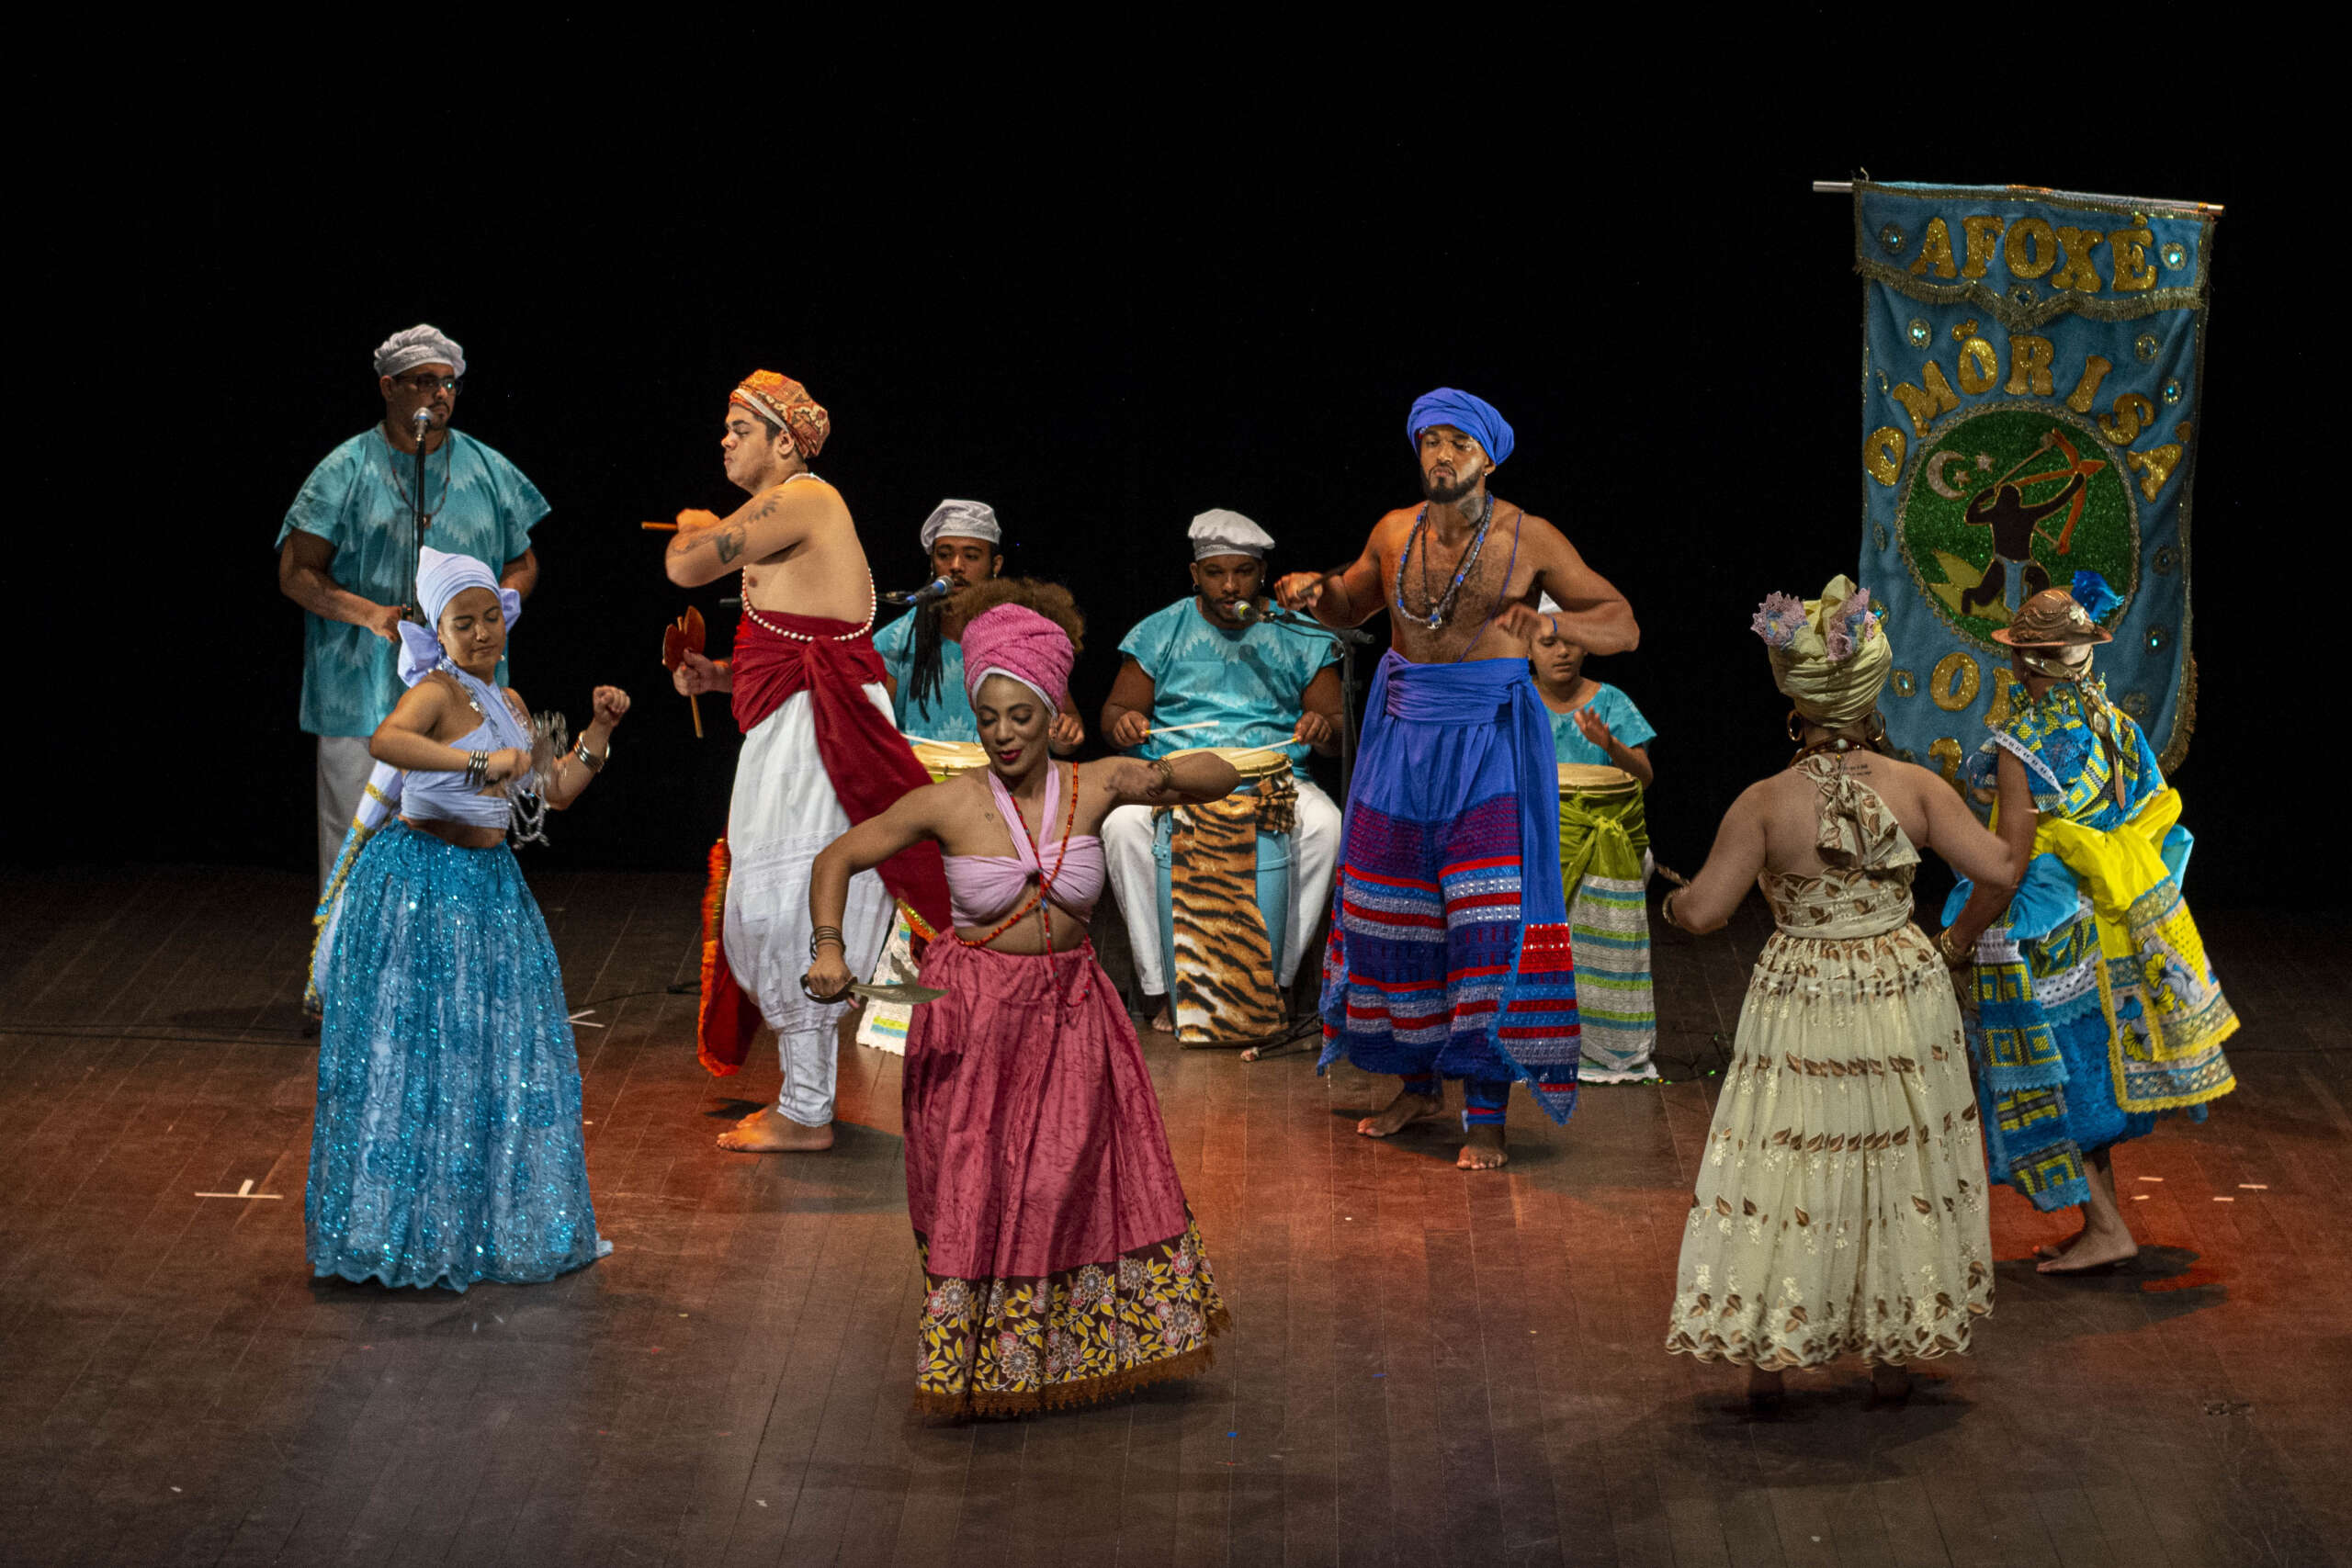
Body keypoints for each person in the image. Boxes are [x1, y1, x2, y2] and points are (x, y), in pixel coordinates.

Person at [802, 582, 1238, 1416]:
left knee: (1064, 1181)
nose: (1002, 734)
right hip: (977, 1017)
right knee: (979, 1186)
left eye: (1021, 718)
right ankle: (988, 1359)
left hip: (1075, 1011)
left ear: (1051, 715)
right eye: (990, 717)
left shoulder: (1099, 785)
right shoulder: (950, 800)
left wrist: (1169, 768)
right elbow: (837, 858)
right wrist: (829, 948)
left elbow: (1213, 778)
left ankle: (1060, 1351)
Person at [1660, 576, 2017, 1406]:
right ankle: (1891, 1357)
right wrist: (2015, 789)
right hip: (1901, 981)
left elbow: (1706, 911)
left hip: (1805, 987)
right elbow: (2000, 869)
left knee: (1791, 1155)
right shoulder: (1918, 787)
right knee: (1895, 1153)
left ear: (1798, 706)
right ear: (1869, 697)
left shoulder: (1764, 801)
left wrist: (1674, 901)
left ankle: (1773, 1362)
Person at [1273, 389, 1637, 1169]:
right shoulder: (1393, 530)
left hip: (1489, 742)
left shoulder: (1529, 535)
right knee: (1390, 910)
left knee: (1485, 920)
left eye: (1457, 443)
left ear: (1489, 457)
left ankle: (1485, 1115)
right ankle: (1415, 1082)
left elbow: (1622, 620)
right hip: (1402, 734)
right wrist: (1315, 589)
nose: (1441, 455)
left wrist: (1553, 624)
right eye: (1430, 441)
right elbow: (1353, 606)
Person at [307, 547, 626, 1291]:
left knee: (484, 1063)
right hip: (421, 882)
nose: (481, 633)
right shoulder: (438, 691)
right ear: (439, 631)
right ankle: (403, 1232)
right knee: (420, 1063)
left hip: (485, 887)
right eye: (463, 622)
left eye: (490, 619)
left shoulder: (509, 704)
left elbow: (557, 792)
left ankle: (476, 1228)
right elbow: (386, 742)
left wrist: (598, 731)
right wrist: (479, 767)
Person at [664, 370, 952, 1153]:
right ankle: (806, 1099)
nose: (724, 439)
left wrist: (697, 527)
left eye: (739, 427)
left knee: (789, 897)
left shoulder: (805, 497)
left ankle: (806, 1109)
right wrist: (717, 675)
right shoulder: (791, 516)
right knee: (774, 895)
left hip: (816, 734)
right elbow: (798, 643)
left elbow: (686, 568)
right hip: (800, 723)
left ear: (785, 442)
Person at [1939, 581, 2237, 1274]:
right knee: (2082, 1074)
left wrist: (1957, 939)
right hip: (2108, 926)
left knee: (2050, 1079)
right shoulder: (2119, 728)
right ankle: (2105, 1223)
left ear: (2024, 663)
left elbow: (2008, 867)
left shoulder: (2024, 745)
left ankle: (2105, 1224)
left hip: (2045, 938)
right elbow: (2150, 815)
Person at [277, 324, 548, 891]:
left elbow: (523, 562)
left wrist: (498, 609)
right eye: (425, 382)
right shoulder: (346, 468)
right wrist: (369, 614)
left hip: (465, 688)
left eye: (449, 384)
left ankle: (442, 970)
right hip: (361, 683)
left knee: (456, 825)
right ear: (389, 386)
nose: (439, 395)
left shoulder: (488, 469)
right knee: (357, 829)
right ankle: (346, 967)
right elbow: (296, 572)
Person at [1100, 509, 1345, 1029]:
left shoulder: (1297, 631)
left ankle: (1276, 982)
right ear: (1195, 575)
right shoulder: (1159, 632)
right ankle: (1157, 986)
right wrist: (1125, 724)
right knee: (1122, 827)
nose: (1229, 584)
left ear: (1262, 573)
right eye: (1215, 573)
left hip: (1275, 779)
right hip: (1175, 777)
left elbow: (1337, 726)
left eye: (1243, 571)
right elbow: (1115, 714)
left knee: (1325, 827)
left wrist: (1323, 728)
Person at [1531, 596, 1659, 1081]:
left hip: (1611, 846)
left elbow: (1643, 776)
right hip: (1542, 841)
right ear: (1527, 651)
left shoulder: (1612, 702)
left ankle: (1606, 1046)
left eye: (1570, 640)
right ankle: (1540, 1041)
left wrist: (1609, 745)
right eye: (1548, 642)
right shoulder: (1519, 704)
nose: (1561, 651)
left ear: (1587, 648)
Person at [874, 499, 1084, 750]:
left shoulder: (1021, 635)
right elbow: (871, 727)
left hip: (1002, 783)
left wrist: (1064, 735)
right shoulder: (896, 640)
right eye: (944, 555)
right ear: (932, 562)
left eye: (971, 556)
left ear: (995, 565)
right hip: (923, 782)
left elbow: (1065, 725)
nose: (955, 566)